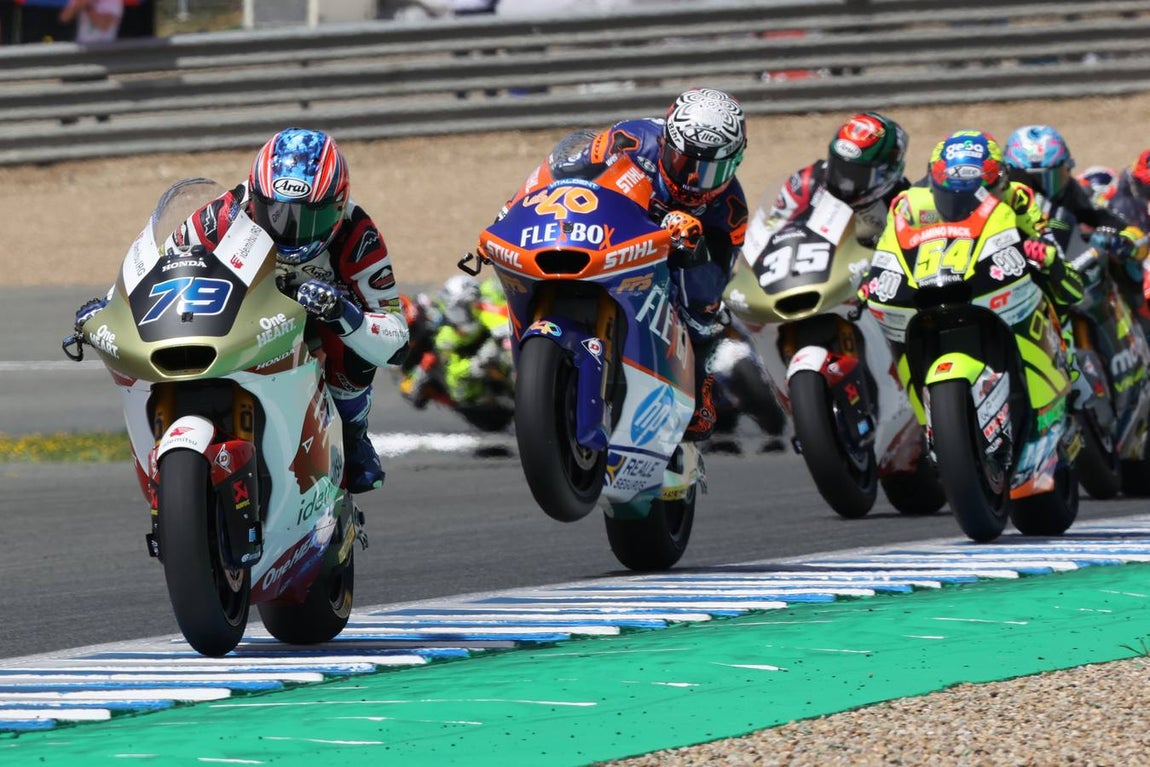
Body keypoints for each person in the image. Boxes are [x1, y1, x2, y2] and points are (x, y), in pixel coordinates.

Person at [75, 128, 410, 494]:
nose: (290, 230)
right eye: (275, 212)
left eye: (308, 218)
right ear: (254, 197)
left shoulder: (358, 235)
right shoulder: (220, 214)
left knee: (353, 349)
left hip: (314, 324)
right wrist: (111, 305)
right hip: (240, 319)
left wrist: (344, 312)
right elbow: (160, 266)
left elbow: (395, 336)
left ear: (339, 204)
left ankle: (353, 434)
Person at [505, 87, 750, 442]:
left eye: (713, 170)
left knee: (705, 315)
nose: (695, 181)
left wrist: (692, 250)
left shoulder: (730, 210)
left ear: (735, 162)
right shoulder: (629, 139)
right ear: (667, 143)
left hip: (669, 265)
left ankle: (699, 389)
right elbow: (560, 171)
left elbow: (715, 284)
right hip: (608, 237)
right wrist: (516, 205)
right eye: (687, 164)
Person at [1003, 125, 1144, 281]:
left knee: (1130, 270)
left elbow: (1131, 231)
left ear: (1068, 168)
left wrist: (1124, 241)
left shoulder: (1077, 192)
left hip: (1075, 277)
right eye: (1031, 182)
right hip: (1018, 280)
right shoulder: (1000, 202)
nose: (1043, 191)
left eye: (1054, 177)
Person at [758, 112, 909, 250]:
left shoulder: (903, 204)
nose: (844, 183)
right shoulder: (805, 182)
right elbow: (769, 230)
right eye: (839, 168)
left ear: (887, 173)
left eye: (856, 174)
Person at [433, 274, 511, 407]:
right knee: (460, 391)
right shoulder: (446, 338)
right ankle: (491, 400)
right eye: (456, 308)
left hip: (501, 335)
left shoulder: (488, 291)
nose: (459, 313)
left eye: (466, 305)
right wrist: (478, 363)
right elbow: (453, 371)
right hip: (476, 367)